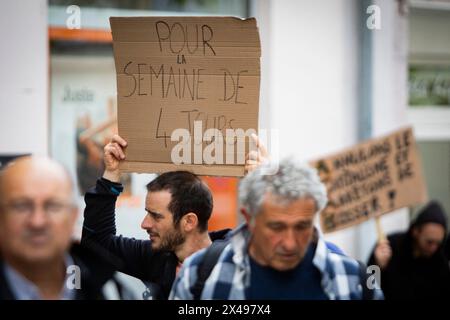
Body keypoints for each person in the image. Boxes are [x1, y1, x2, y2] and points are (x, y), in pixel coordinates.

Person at [81, 134, 265, 299]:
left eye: (156, 216)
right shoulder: (157, 258)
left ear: (189, 221)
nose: (144, 224)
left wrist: (264, 184)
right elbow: (97, 243)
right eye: (147, 213)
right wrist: (111, 174)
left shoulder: (236, 258)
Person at [170, 158, 383, 300]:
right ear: (249, 218)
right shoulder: (199, 275)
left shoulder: (356, 281)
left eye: (302, 226)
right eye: (276, 227)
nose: (290, 242)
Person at [0, 156, 130, 300]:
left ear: (73, 217)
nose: (37, 222)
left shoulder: (110, 292)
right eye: (21, 206)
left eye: (53, 206)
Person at [368, 200, 450, 299]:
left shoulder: (440, 263)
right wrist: (378, 266)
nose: (434, 248)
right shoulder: (389, 246)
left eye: (438, 243)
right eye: (429, 242)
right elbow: (368, 286)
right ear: (416, 231)